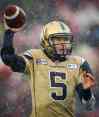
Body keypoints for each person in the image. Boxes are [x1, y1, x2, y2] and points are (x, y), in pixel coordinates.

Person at [1, 20, 96, 117]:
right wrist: (9, 33)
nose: (63, 44)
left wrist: (86, 91)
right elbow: (9, 59)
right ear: (45, 40)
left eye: (66, 39)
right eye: (58, 39)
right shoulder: (35, 57)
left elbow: (89, 105)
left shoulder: (79, 63)